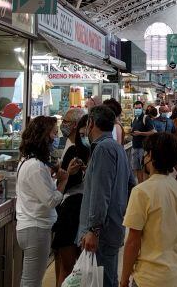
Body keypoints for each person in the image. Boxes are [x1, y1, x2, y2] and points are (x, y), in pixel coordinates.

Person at [120, 132, 177, 287]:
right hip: (174, 276)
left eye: (146, 153)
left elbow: (133, 241)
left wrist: (124, 279)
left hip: (148, 278)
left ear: (151, 155)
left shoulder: (141, 192)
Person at [16, 116, 81, 287]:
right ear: (42, 136)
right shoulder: (35, 166)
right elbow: (51, 200)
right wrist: (64, 180)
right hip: (35, 228)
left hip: (32, 226)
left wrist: (58, 175)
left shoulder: (30, 162)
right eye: (53, 133)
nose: (55, 137)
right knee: (32, 280)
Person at [78, 105, 137, 287]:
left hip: (101, 233)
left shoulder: (103, 149)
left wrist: (93, 230)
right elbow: (131, 185)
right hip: (113, 226)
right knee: (106, 278)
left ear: (91, 123)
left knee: (103, 280)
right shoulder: (117, 148)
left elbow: (100, 194)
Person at [53, 114, 92, 287]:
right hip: (74, 211)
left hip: (78, 212)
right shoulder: (75, 150)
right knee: (71, 267)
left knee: (73, 267)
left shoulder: (88, 151)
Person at [130, 101, 154, 182]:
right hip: (135, 146)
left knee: (145, 168)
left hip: (143, 148)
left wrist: (141, 133)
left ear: (142, 108)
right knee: (137, 168)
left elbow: (153, 132)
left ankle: (146, 185)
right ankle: (140, 184)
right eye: (136, 108)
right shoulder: (133, 119)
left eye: (139, 108)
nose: (137, 110)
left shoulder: (146, 118)